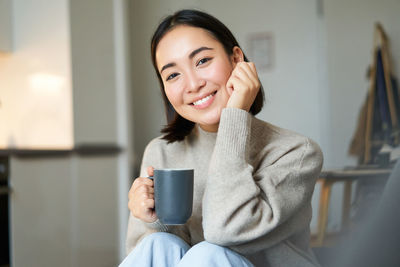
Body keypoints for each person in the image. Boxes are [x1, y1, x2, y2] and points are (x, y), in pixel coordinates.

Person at [120, 9, 323, 267]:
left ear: (236, 59)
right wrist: (153, 218)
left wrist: (234, 116)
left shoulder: (295, 152)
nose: (192, 84)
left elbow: (224, 232)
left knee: (209, 252)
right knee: (157, 243)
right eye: (173, 75)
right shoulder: (161, 152)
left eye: (202, 61)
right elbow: (154, 256)